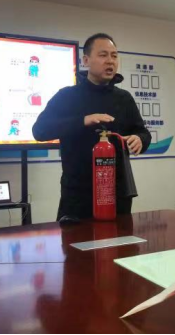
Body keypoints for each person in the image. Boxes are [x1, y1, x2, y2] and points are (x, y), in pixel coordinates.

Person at [33, 33, 151, 220]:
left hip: (118, 194)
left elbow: (142, 132)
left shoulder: (124, 98)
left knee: (120, 239)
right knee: (73, 239)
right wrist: (83, 120)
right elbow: (40, 130)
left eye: (114, 56)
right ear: (86, 60)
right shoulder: (67, 96)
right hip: (78, 196)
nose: (110, 61)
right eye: (103, 55)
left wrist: (140, 139)